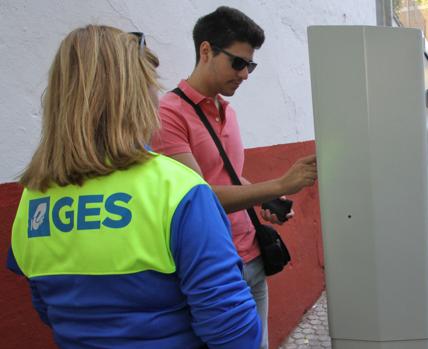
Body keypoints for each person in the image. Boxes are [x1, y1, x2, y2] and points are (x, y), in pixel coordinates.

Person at [6, 25, 261, 349]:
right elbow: (233, 330)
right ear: (136, 96)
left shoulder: (33, 199)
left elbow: (47, 306)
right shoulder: (179, 190)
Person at [150, 7, 317, 348]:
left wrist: (265, 199)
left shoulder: (226, 110)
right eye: (238, 63)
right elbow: (198, 200)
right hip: (218, 267)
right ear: (206, 51)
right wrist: (282, 184)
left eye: (250, 65)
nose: (245, 75)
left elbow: (229, 176)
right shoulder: (168, 115)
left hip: (252, 254)